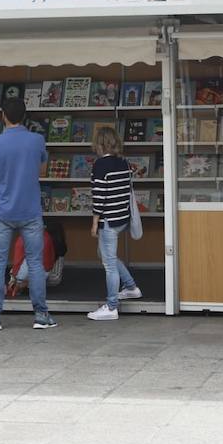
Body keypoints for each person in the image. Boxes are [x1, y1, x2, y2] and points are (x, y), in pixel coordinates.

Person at [0, 96, 56, 331]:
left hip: (2, 211)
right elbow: (41, 171)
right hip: (30, 209)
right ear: (24, 115)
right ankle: (41, 314)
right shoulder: (37, 141)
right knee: (35, 263)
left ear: (3, 115)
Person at [87, 126, 141, 321]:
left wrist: (95, 222)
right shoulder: (123, 162)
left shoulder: (100, 166)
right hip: (122, 217)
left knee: (108, 263)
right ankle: (131, 287)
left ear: (99, 144)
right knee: (106, 254)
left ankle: (111, 306)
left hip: (108, 219)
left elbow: (99, 196)